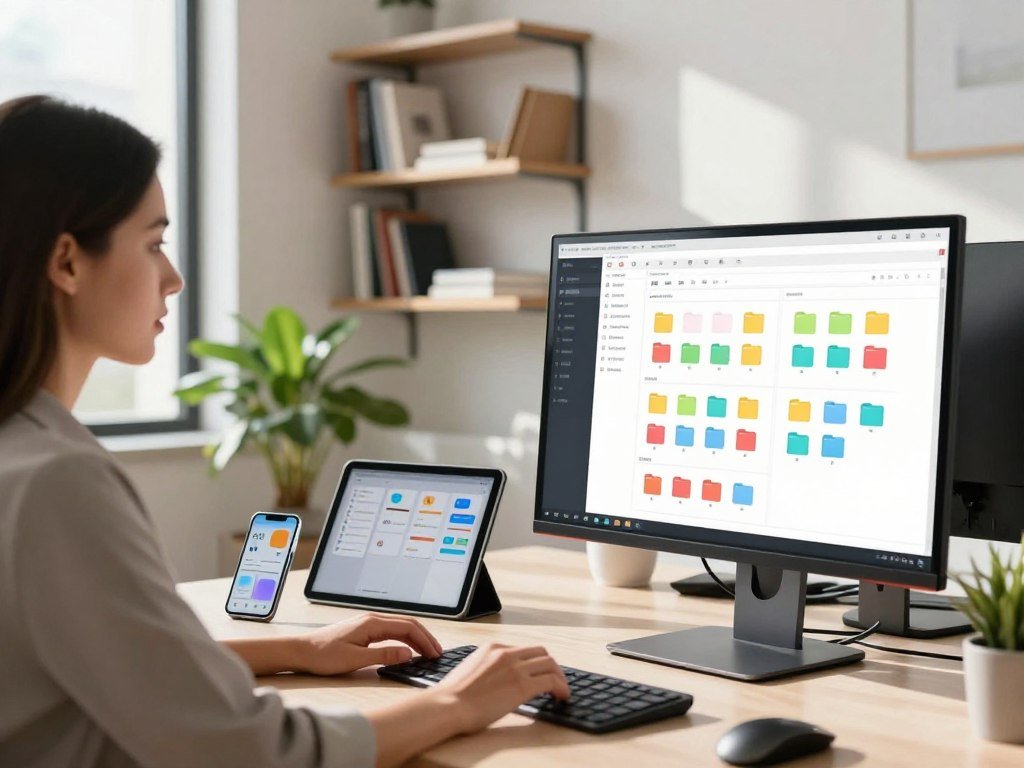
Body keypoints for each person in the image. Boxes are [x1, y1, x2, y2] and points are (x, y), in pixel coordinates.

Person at [0, 95, 569, 768]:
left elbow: (109, 663)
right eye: (153, 243)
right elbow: (245, 750)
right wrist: (456, 703)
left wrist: (294, 648)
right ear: (66, 263)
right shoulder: (57, 480)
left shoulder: (21, 450)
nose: (174, 278)